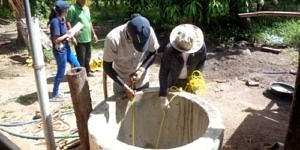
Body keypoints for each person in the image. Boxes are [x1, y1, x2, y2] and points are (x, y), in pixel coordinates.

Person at [103, 14, 160, 99]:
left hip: (143, 81)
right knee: (122, 110)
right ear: (128, 32)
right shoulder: (113, 39)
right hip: (121, 82)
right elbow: (107, 66)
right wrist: (124, 86)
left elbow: (153, 53)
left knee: (144, 108)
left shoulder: (149, 31)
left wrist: (141, 69)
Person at [159, 24, 207, 105]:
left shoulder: (201, 47)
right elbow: (164, 72)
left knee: (189, 106)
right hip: (173, 81)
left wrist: (197, 78)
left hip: (190, 81)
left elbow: (202, 61)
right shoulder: (169, 50)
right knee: (174, 105)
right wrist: (163, 95)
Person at [49, 0, 80, 100]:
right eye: (66, 9)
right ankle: (55, 92)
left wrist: (73, 34)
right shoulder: (55, 22)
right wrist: (67, 35)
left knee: (77, 65)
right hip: (60, 51)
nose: (67, 10)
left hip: (66, 48)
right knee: (61, 71)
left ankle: (78, 85)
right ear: (62, 10)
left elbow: (66, 33)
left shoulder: (62, 19)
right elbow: (56, 40)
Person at [66, 0, 98, 77]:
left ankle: (87, 71)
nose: (84, 1)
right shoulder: (72, 9)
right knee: (81, 58)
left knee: (88, 56)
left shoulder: (86, 8)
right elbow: (68, 22)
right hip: (79, 38)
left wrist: (94, 34)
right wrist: (72, 36)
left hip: (88, 37)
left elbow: (89, 22)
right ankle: (81, 74)